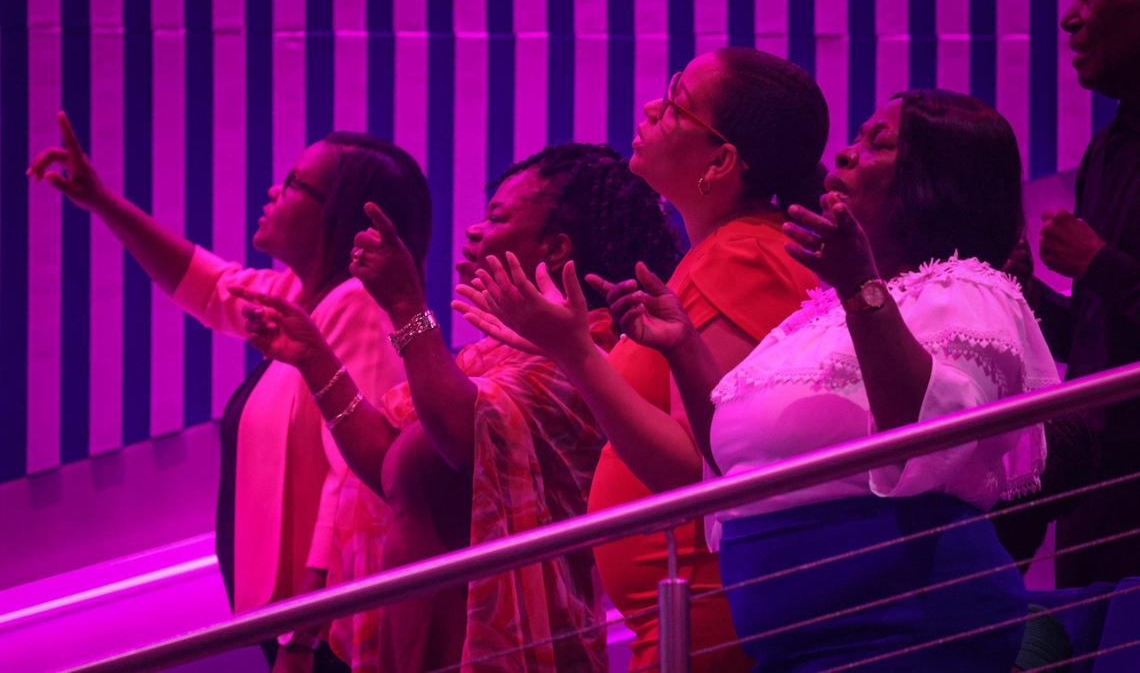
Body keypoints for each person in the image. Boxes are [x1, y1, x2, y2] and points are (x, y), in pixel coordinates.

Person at [470, 89, 1060, 670]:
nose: (847, 154)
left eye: (877, 145)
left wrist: (412, 316)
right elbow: (729, 460)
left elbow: (931, 435)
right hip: (789, 634)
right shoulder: (819, 306)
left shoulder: (959, 290)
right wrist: (684, 351)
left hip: (894, 623)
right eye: (854, 138)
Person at [235, 143, 683, 672]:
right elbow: (389, 462)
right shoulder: (491, 357)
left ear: (557, 248)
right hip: (420, 633)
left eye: (496, 217)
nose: (474, 230)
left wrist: (406, 306)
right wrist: (313, 358)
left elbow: (462, 441)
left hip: (492, 649)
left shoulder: (589, 358)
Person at [460, 47, 826, 671]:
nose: (653, 106)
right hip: (680, 611)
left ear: (721, 161)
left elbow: (703, 462)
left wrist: (570, 352)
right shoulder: (720, 254)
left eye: (677, 101)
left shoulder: (739, 258)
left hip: (703, 613)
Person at [27, 114, 431, 673]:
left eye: (293, 184)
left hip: (323, 630)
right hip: (292, 618)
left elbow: (350, 485)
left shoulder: (356, 307)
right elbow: (210, 286)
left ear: (335, 215)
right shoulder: (301, 296)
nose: (273, 191)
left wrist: (301, 636)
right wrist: (102, 201)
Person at [1015, 0, 1140, 588]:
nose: (1069, 17)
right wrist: (1025, 291)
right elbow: (1099, 335)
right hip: (1099, 479)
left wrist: (1097, 263)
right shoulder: (1109, 147)